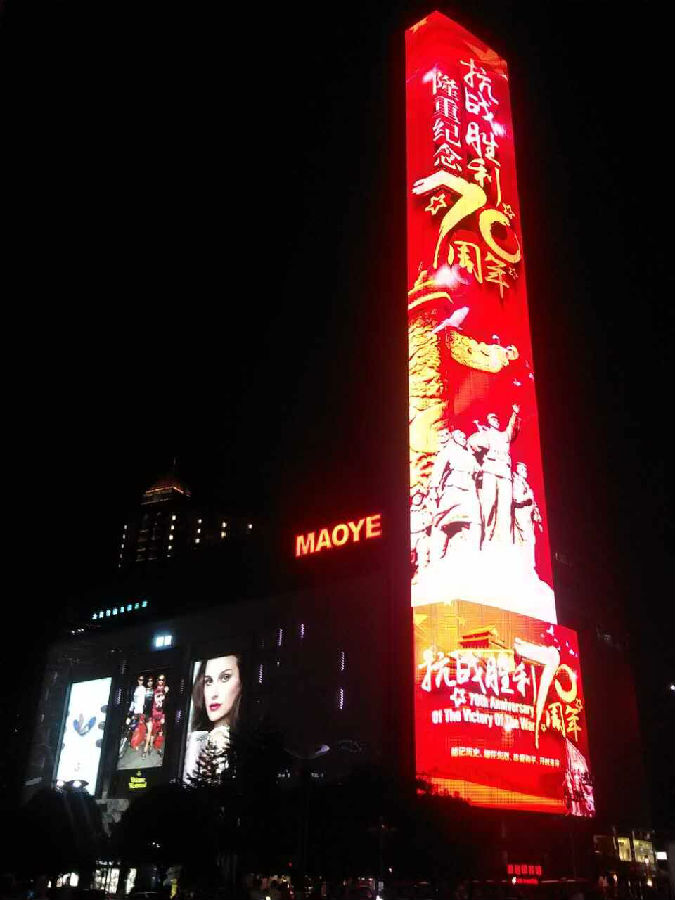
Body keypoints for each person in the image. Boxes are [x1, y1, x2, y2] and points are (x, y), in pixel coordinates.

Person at [183, 654, 242, 782]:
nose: (213, 694)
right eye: (209, 681)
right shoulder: (194, 740)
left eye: (225, 677)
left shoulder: (249, 742)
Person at [468, 404, 520, 547]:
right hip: (490, 469)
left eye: (497, 419)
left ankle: (506, 539)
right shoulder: (485, 433)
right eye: (493, 419)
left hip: (505, 472)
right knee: (489, 502)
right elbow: (473, 444)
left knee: (506, 505)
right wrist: (481, 438)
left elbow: (511, 428)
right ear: (489, 421)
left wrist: (514, 414)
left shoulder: (504, 435)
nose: (496, 421)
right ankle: (486, 536)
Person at [428, 428, 481, 559]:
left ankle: (475, 553)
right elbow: (438, 469)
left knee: (476, 519)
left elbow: (479, 472)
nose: (463, 438)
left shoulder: (470, 455)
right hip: (453, 488)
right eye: (460, 436)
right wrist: (433, 489)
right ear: (454, 438)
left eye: (464, 436)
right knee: (441, 519)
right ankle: (436, 555)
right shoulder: (448, 451)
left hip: (469, 489)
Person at [512, 461, 542, 569]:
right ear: (518, 470)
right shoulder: (516, 482)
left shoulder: (526, 484)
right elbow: (516, 499)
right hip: (521, 514)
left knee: (530, 539)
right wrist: (527, 499)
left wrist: (536, 511)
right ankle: (525, 564)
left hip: (528, 516)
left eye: (525, 470)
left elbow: (532, 501)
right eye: (523, 470)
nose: (525, 472)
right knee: (526, 539)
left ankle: (529, 564)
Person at [144, 674, 169, 758]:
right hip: (153, 714)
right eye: (159, 680)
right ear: (157, 680)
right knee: (152, 732)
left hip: (160, 714)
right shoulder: (154, 691)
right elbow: (150, 703)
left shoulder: (165, 690)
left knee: (160, 732)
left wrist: (163, 716)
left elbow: (166, 705)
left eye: (162, 680)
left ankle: (158, 748)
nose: (161, 681)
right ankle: (150, 747)